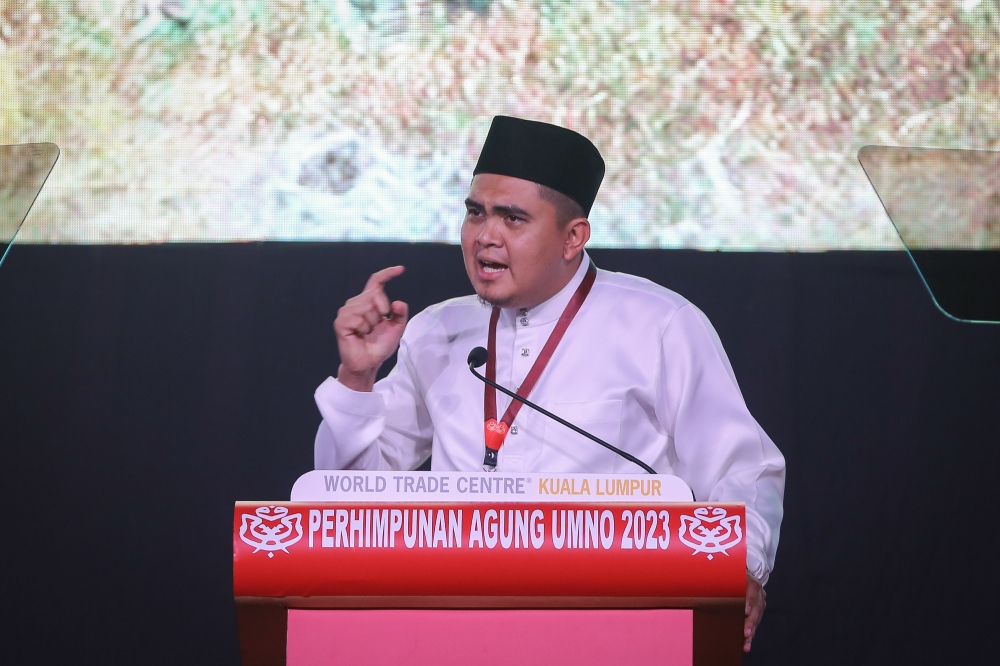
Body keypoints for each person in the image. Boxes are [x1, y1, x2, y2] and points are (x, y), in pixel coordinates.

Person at [313, 116, 785, 652]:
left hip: (619, 629)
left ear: (572, 238)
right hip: (455, 633)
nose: (485, 236)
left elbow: (744, 466)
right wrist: (358, 376)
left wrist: (739, 566)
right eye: (475, 213)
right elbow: (347, 504)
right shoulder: (435, 332)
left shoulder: (657, 324)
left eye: (512, 218)